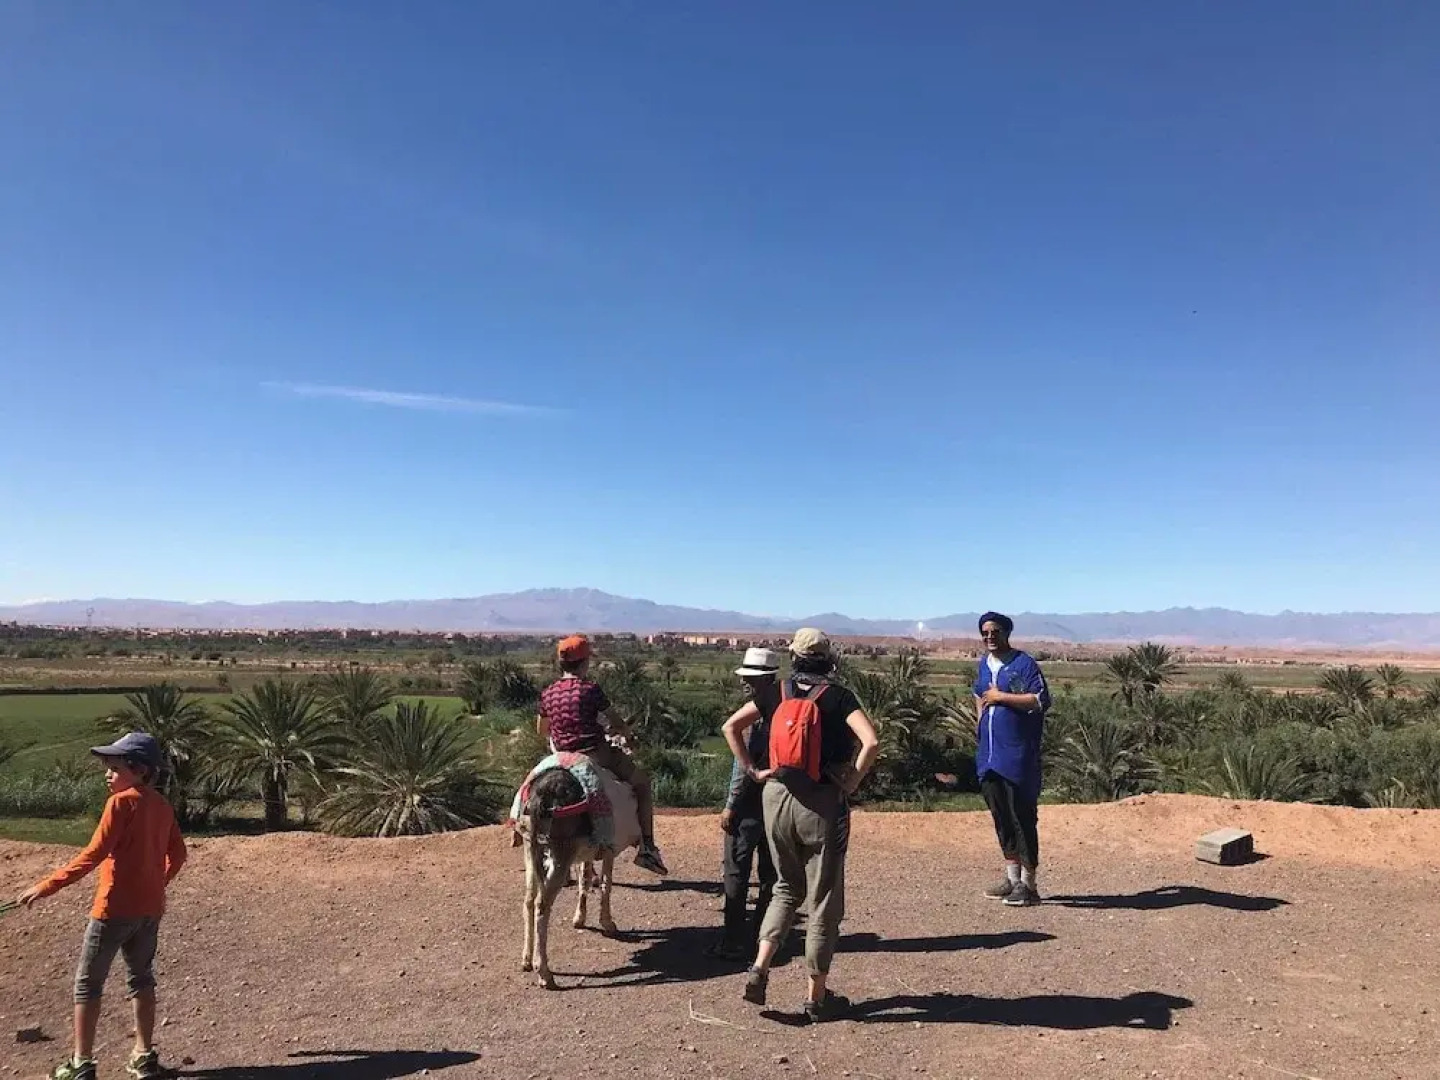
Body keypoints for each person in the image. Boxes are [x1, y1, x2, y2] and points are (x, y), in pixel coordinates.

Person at [723, 628, 879, 1023]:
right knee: (823, 898)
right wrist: (851, 783)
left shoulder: (777, 692)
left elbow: (731, 727)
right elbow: (871, 742)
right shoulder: (839, 696)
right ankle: (816, 996)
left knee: (784, 887)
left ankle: (759, 966)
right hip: (822, 802)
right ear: (829, 658)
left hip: (776, 796)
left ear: (794, 656)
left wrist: (754, 771)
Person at [17, 732, 188, 1080]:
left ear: (139, 769)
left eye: (114, 768)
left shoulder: (120, 804)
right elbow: (179, 854)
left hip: (112, 911)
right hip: (150, 910)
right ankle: (143, 1056)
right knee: (141, 979)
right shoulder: (162, 805)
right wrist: (158, 883)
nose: (107, 775)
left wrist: (46, 886)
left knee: (88, 985)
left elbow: (93, 854)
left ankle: (82, 1063)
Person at [537, 634, 668, 875]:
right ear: (584, 662)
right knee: (642, 784)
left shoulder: (548, 693)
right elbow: (615, 721)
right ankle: (647, 848)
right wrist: (627, 736)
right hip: (595, 753)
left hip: (561, 756)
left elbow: (541, 729)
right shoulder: (590, 689)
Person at [973, 611, 1052, 906]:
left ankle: (1030, 886)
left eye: (995, 631)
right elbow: (978, 693)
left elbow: (1040, 700)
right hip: (989, 757)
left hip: (1017, 756)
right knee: (1001, 818)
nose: (989, 637)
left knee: (1022, 817)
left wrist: (1001, 697)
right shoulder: (984, 664)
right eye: (985, 632)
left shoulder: (1024, 664)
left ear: (1007, 632)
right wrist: (979, 722)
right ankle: (1012, 878)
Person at [711, 647, 782, 962]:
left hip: (750, 806)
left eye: (751, 679)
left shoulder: (755, 714)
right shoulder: (787, 706)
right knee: (771, 874)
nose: (746, 684)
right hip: (778, 802)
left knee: (736, 872)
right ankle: (762, 936)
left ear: (766, 679)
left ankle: (733, 940)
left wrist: (730, 804)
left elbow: (743, 766)